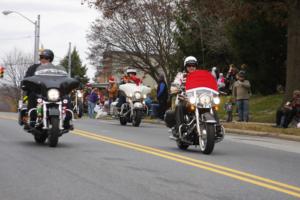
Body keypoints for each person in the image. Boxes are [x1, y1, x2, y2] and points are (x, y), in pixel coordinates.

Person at [172, 56, 198, 134]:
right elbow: (176, 83)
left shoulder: (200, 75)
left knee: (212, 105)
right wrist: (175, 88)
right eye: (189, 65)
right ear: (185, 66)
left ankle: (217, 128)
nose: (191, 67)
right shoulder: (181, 75)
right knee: (179, 106)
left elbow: (207, 83)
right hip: (185, 98)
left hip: (199, 99)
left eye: (193, 65)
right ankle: (180, 129)